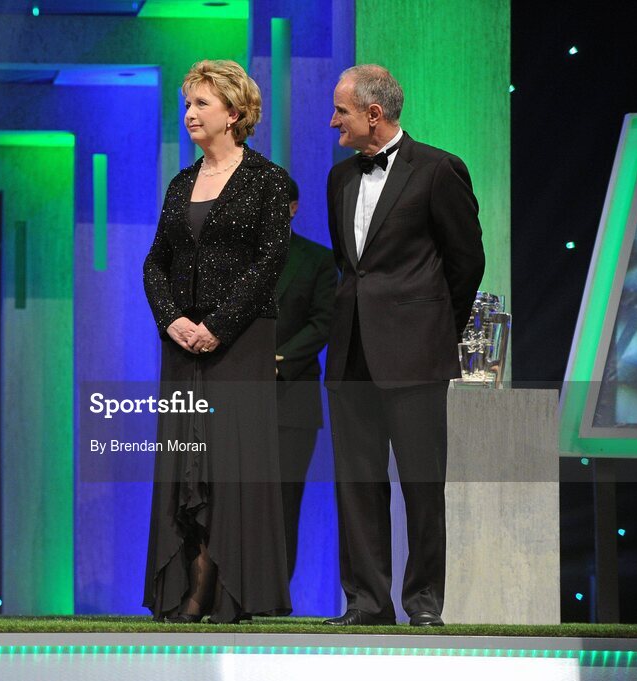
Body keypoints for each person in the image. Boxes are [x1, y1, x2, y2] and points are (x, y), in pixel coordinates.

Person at [323, 65, 485, 627]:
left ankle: (422, 604)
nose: (332, 120)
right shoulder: (340, 177)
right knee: (357, 483)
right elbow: (350, 267)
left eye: (341, 110)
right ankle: (366, 602)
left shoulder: (439, 169)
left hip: (415, 354)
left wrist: (436, 331)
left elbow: (467, 263)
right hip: (350, 353)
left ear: (373, 113)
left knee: (420, 485)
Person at [142, 59, 292, 624]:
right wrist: (172, 319)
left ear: (234, 112)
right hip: (183, 344)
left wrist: (218, 325)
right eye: (187, 104)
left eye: (201, 103)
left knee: (228, 464)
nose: (190, 114)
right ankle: (185, 583)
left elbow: (270, 260)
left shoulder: (266, 180)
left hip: (239, 343)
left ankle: (218, 591)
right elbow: (156, 260)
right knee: (186, 461)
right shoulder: (182, 182)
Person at [275, 177, 336, 580]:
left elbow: (323, 322)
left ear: (293, 208)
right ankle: (229, 595)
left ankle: (275, 596)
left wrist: (279, 360)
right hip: (236, 396)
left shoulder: (318, 260)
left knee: (284, 499)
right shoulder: (234, 261)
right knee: (233, 498)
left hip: (292, 396)